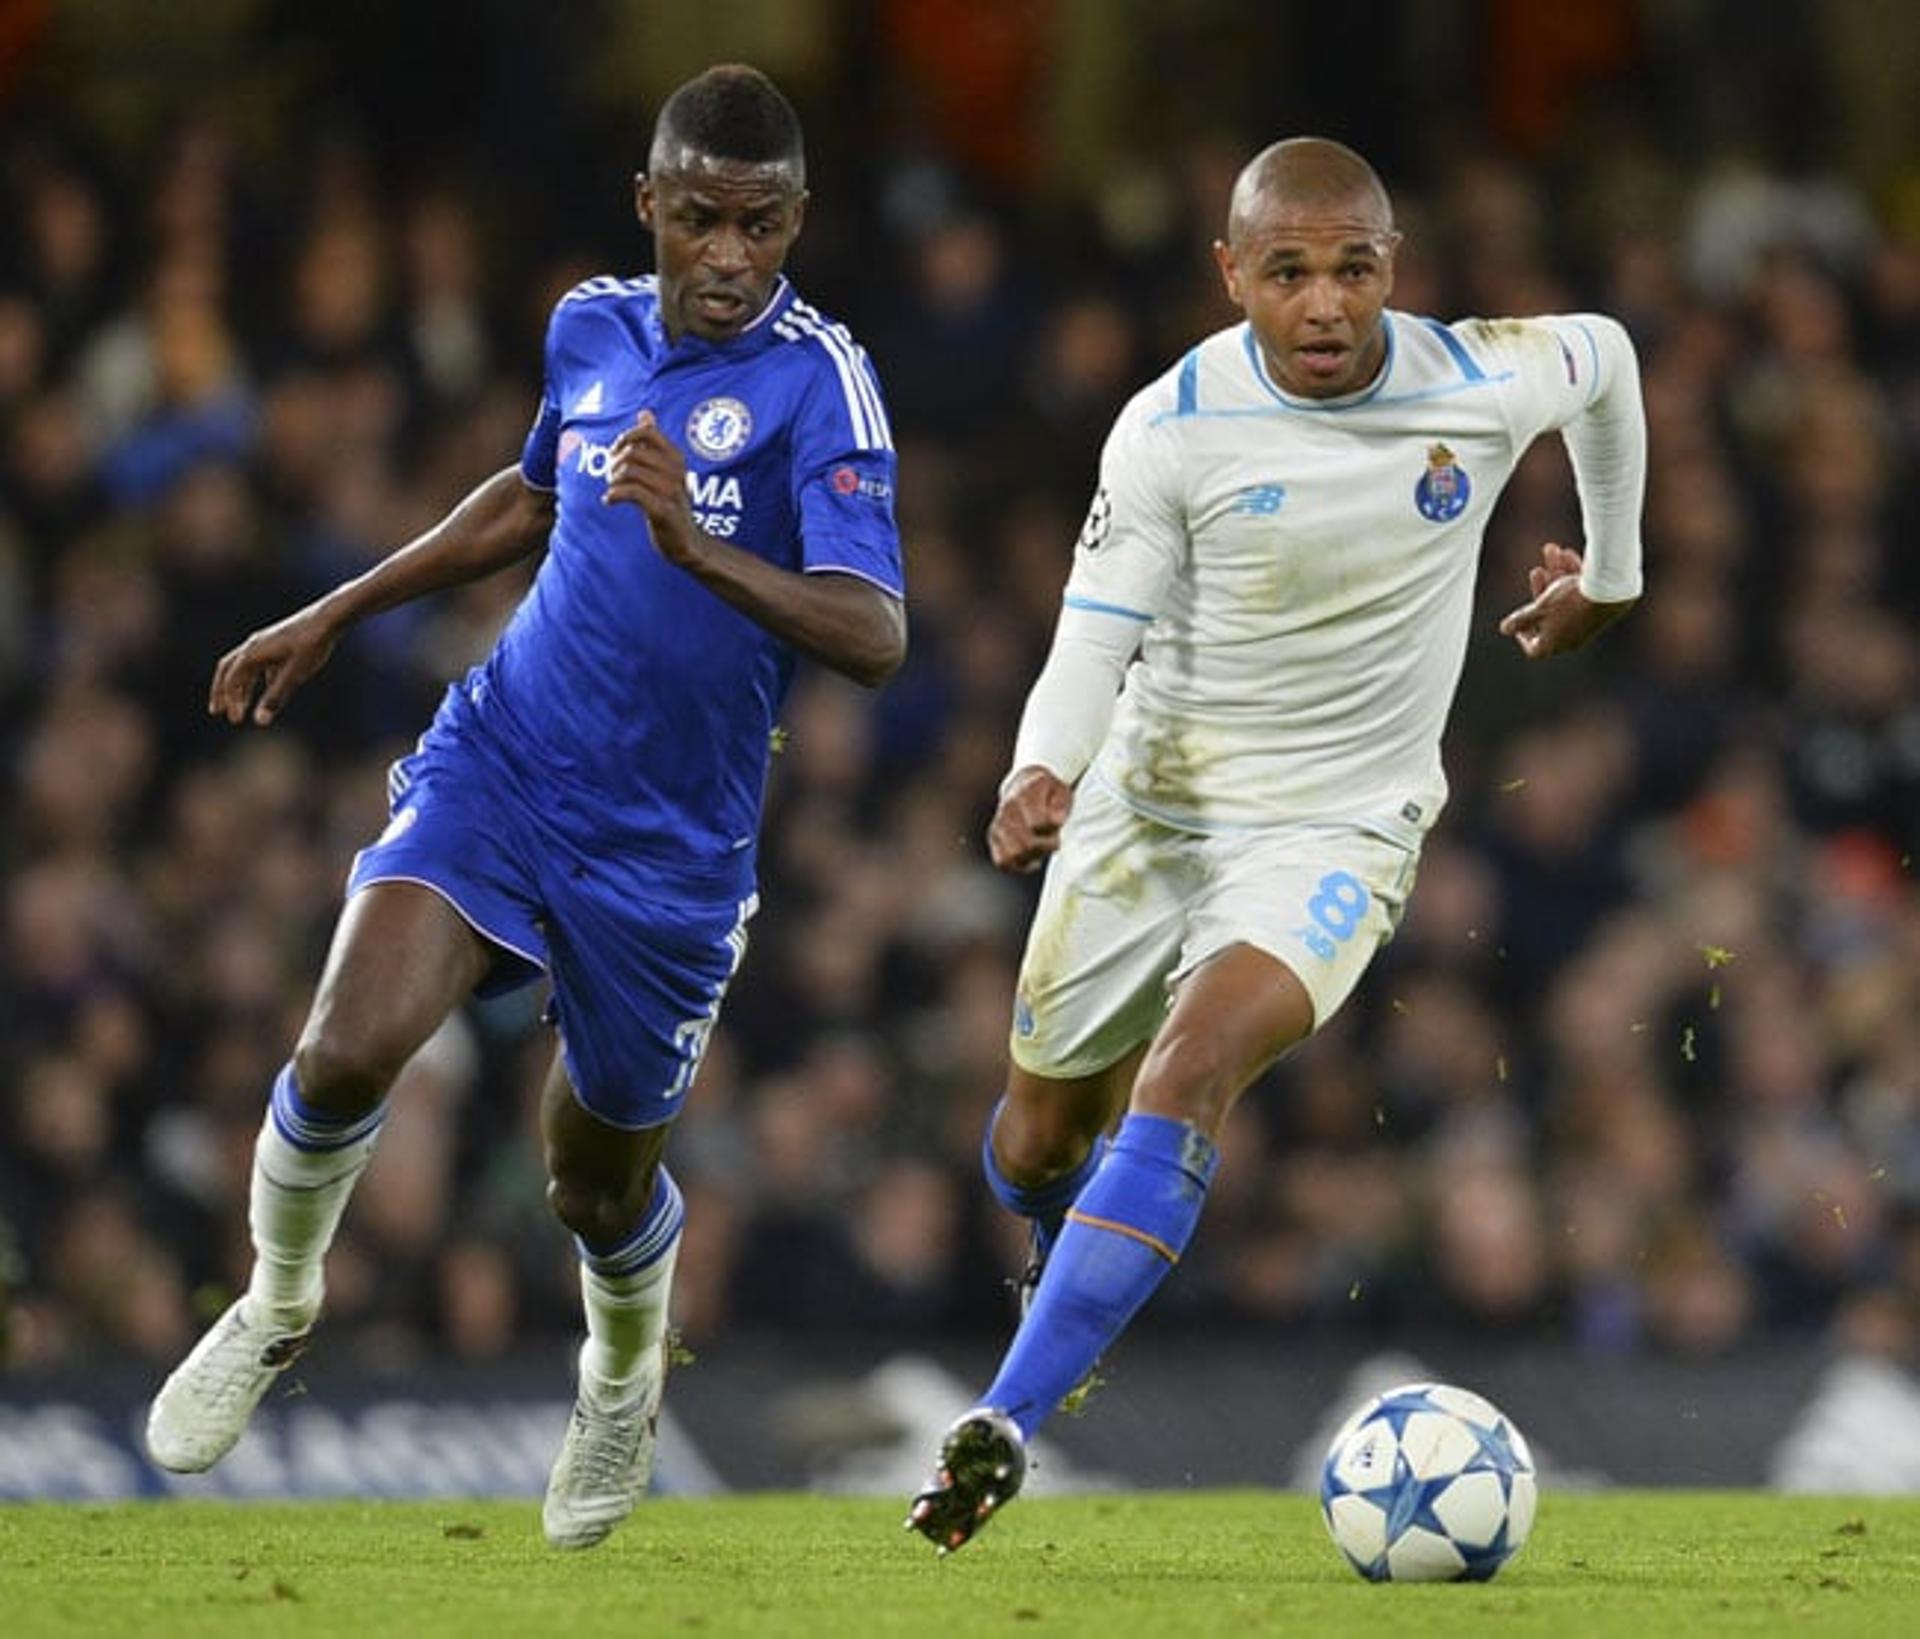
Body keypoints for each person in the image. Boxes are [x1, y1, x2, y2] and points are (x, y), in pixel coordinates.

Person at [144, 64, 906, 1551]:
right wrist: (339, 609)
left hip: (672, 851)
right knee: (348, 1045)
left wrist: (698, 551)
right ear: (651, 208)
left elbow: (874, 633)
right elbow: (531, 492)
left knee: (589, 1182)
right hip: (508, 754)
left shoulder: (826, 384)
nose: (731, 257)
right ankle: (276, 1301)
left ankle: (620, 1379)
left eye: (760, 225)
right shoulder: (591, 324)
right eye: (701, 220)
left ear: (798, 220)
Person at [906, 136, 1644, 1552]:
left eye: (1353, 270)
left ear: (1394, 268)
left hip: (1337, 827)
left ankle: (1004, 1419)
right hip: (1151, 809)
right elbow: (1093, 635)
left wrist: (1612, 575)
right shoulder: (1171, 425)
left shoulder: (1478, 377)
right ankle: (1061, 1263)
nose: (1324, 307)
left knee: (1186, 1069)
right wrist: (1039, 768)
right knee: (1034, 1133)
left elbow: (1605, 360)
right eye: (1288, 273)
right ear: (1230, 273)